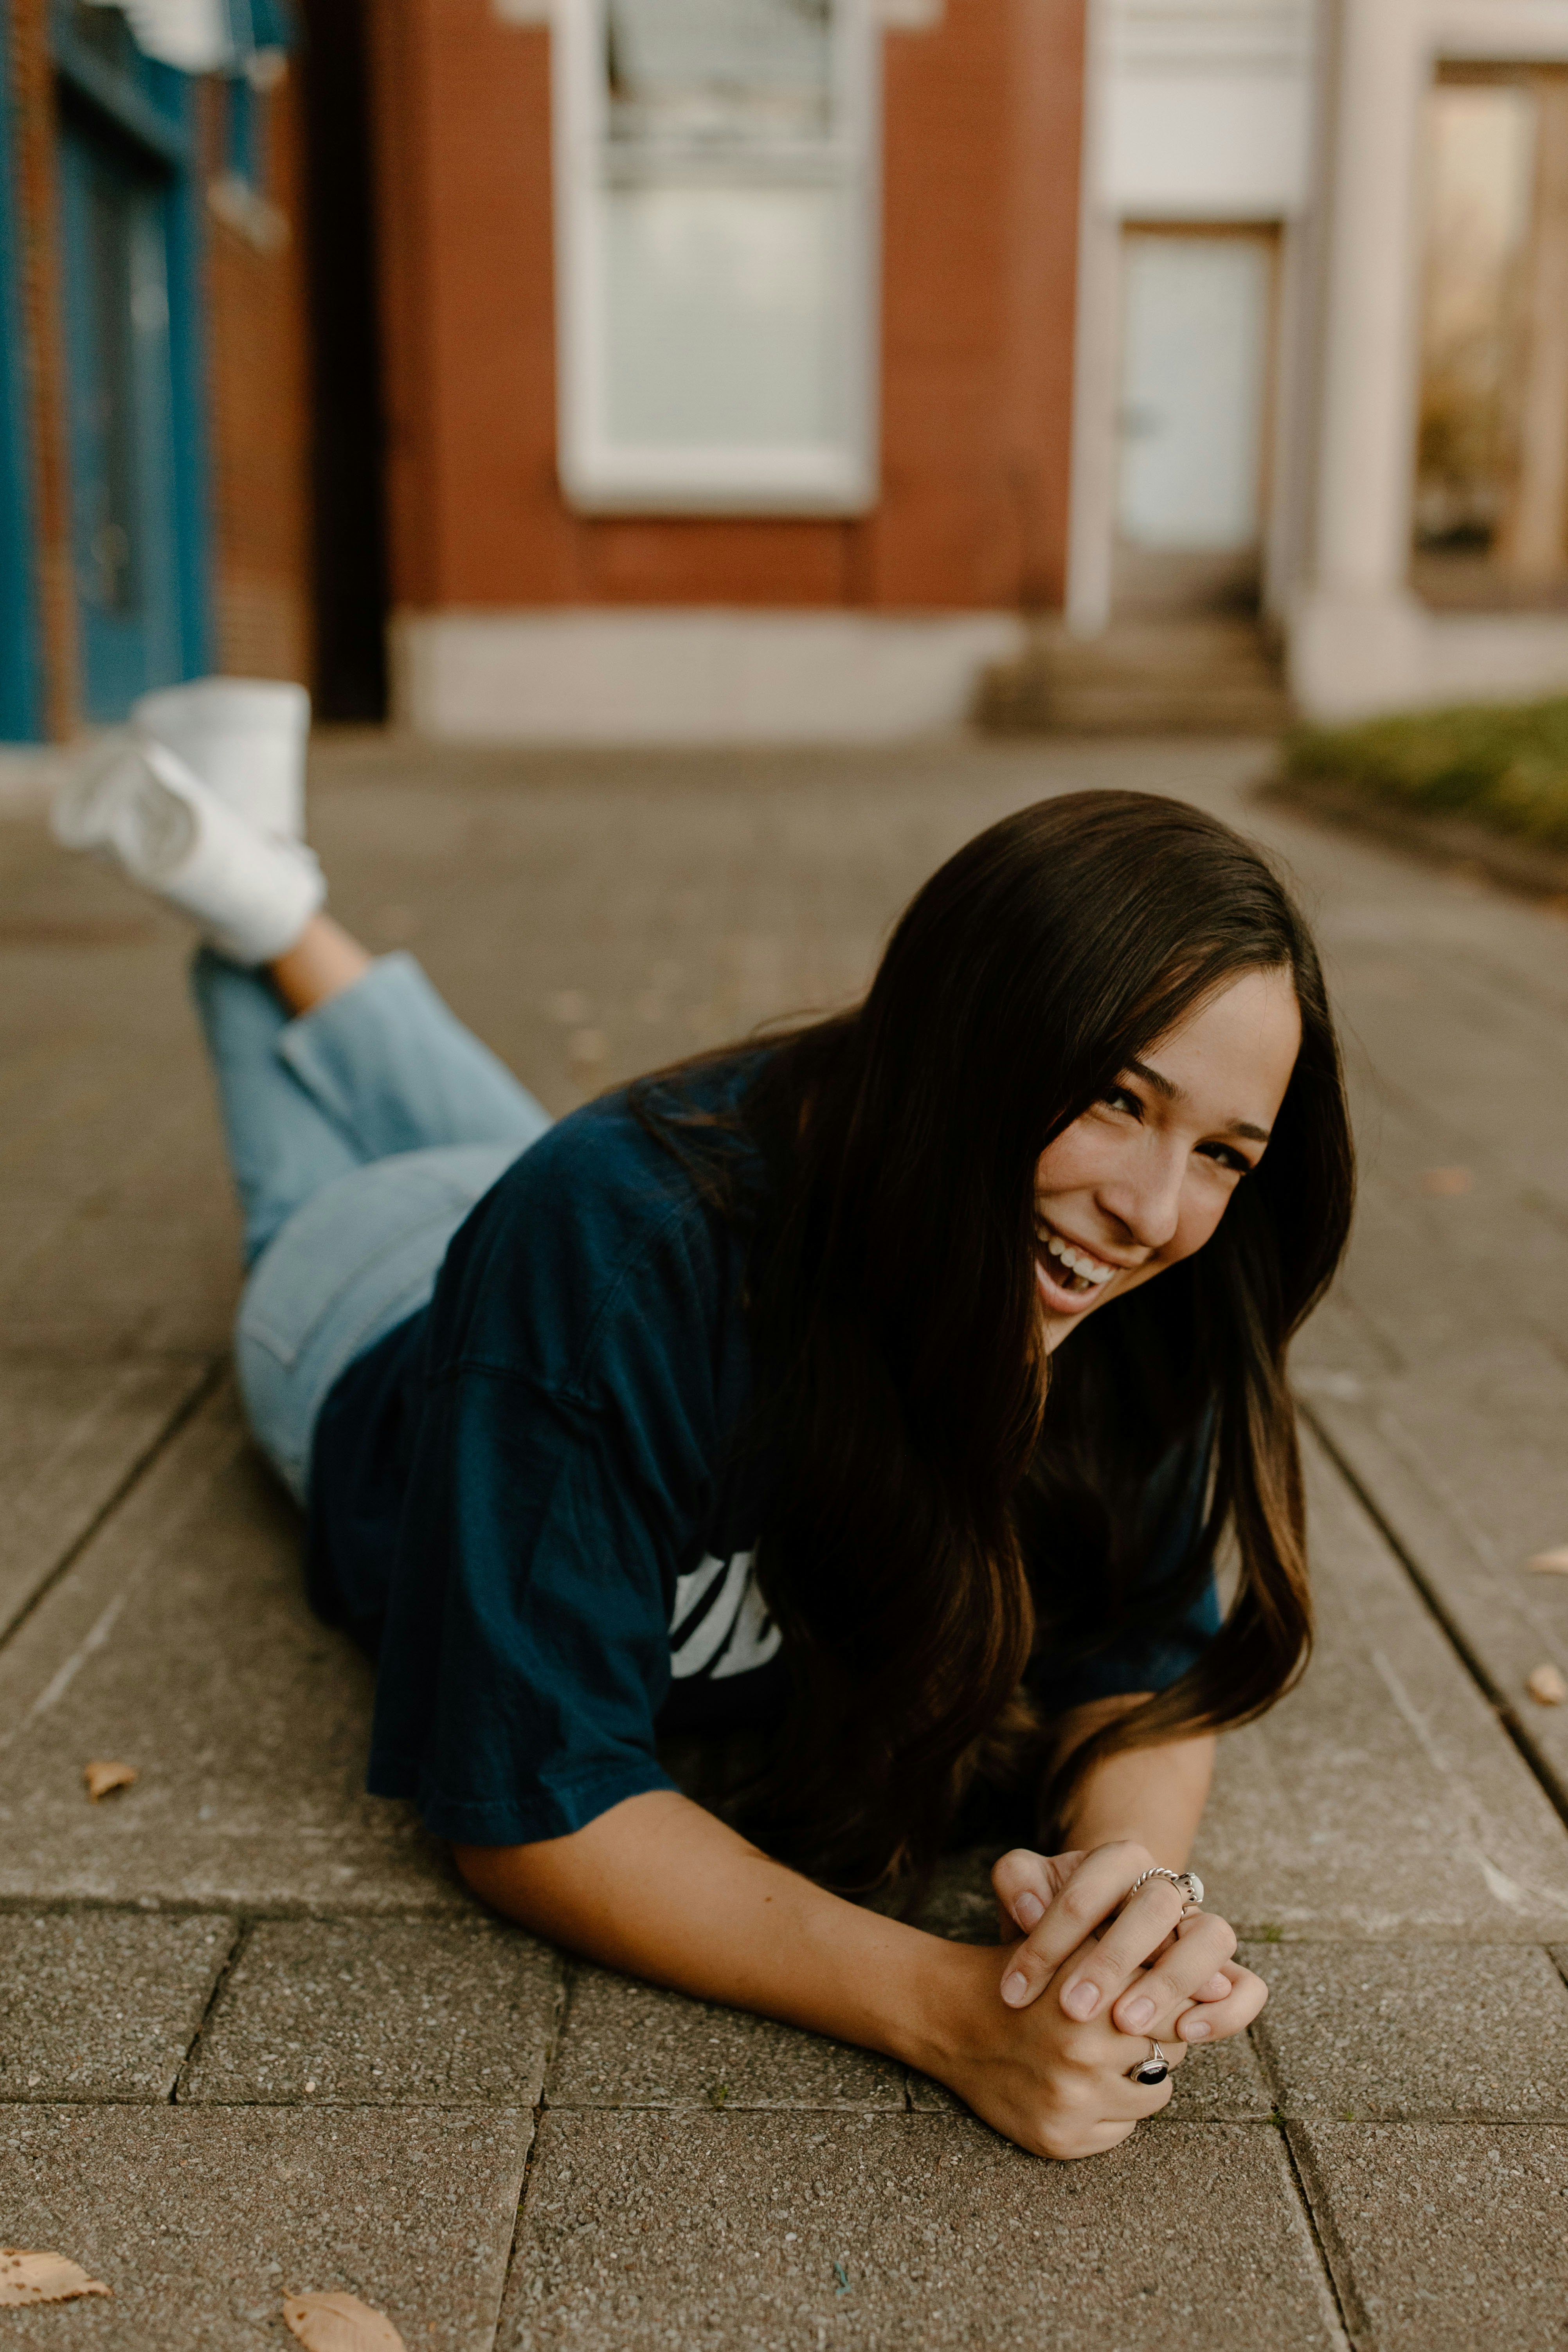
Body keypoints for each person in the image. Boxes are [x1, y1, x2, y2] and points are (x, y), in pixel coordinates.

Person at [54, 689, 1354, 2163]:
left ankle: (259, 878)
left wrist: (1122, 1919)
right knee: (357, 1177)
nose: (1154, 1209)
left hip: (581, 1229)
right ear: (971, 1045)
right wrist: (952, 2011)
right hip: (366, 1315)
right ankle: (247, 896)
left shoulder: (1143, 1293)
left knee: (527, 1155)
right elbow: (537, 1799)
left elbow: (1143, 1663)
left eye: (1223, 1151)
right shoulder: (607, 1250)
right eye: (1119, 1097)